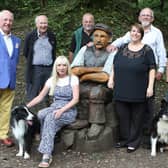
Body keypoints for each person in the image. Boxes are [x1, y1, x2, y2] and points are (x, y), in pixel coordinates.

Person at [108, 7, 167, 145]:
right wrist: (111, 45)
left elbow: (161, 51)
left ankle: (147, 135)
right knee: (133, 106)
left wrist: (161, 69)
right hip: (130, 74)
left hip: (148, 72)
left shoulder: (156, 33)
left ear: (152, 18)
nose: (145, 17)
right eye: (143, 15)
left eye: (148, 15)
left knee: (147, 105)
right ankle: (132, 136)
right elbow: (122, 40)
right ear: (139, 17)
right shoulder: (134, 31)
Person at [108, 23, 156, 152]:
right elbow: (115, 64)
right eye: (133, 31)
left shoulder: (147, 50)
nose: (135, 33)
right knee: (123, 115)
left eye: (138, 32)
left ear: (141, 34)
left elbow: (152, 69)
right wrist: (111, 79)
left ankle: (134, 142)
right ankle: (125, 140)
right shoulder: (122, 48)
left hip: (139, 89)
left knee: (137, 116)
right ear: (130, 33)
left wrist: (150, 87)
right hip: (121, 88)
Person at [27, 56, 79, 168]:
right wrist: (26, 106)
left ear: (67, 67)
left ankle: (46, 155)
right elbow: (40, 97)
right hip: (55, 106)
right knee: (41, 114)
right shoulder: (51, 80)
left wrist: (61, 110)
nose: (61, 67)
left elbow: (75, 99)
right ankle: (46, 136)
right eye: (59, 65)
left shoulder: (73, 79)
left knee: (50, 118)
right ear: (55, 67)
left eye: (64, 65)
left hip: (68, 109)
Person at [71, 23, 116, 139]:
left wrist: (85, 76)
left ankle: (97, 123)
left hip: (104, 87)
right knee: (70, 90)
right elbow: (74, 70)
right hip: (84, 85)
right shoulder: (85, 49)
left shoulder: (112, 52)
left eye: (102, 36)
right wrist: (96, 70)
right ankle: (80, 119)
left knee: (96, 92)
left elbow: (105, 76)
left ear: (109, 39)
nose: (99, 39)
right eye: (96, 36)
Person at [24, 15, 56, 104]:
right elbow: (26, 52)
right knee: (32, 94)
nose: (43, 25)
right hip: (35, 69)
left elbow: (54, 52)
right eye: (41, 23)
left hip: (49, 69)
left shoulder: (52, 36)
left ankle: (46, 114)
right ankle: (31, 114)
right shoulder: (30, 36)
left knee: (48, 94)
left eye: (45, 23)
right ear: (36, 24)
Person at [0, 10, 21, 147]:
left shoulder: (17, 41)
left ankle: (3, 134)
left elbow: (14, 60)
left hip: (10, 81)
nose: (8, 22)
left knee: (6, 109)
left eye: (10, 20)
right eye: (5, 20)